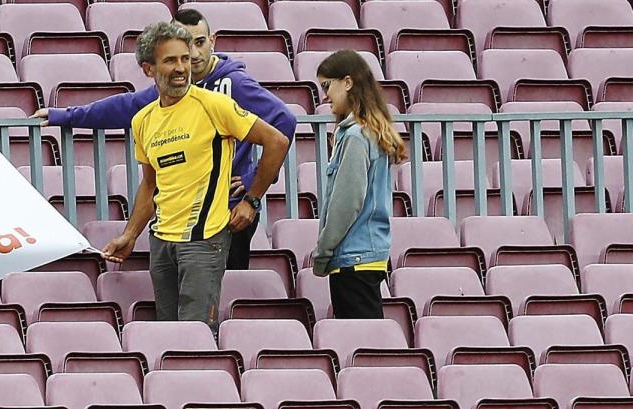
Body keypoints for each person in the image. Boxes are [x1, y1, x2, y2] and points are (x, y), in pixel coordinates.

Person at [32, 8, 296, 270]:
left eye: (200, 43)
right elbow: (127, 106)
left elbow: (284, 121)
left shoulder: (233, 84)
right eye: (186, 45)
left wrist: (252, 187)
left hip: (227, 212)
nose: (194, 54)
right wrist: (66, 115)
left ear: (212, 41)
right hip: (181, 216)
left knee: (223, 295)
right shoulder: (175, 89)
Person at [101, 22, 289, 332]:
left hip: (204, 243)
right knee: (168, 336)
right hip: (162, 243)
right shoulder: (143, 120)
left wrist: (251, 200)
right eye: (170, 60)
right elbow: (150, 184)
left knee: (196, 340)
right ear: (148, 69)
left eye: (184, 59)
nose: (181, 68)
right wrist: (130, 234)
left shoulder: (214, 105)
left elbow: (277, 140)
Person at [311, 50, 406, 319]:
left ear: (348, 83)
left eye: (327, 86)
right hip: (367, 256)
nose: (325, 95)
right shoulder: (371, 132)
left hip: (353, 260)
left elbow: (346, 203)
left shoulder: (355, 137)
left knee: (359, 344)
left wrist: (323, 252)